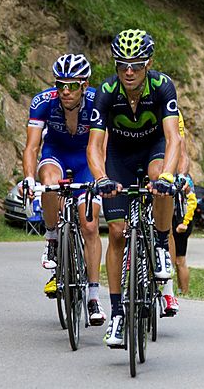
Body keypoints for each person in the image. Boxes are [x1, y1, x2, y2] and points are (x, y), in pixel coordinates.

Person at [87, 28, 181, 346]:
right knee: (115, 233)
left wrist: (169, 175)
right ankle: (116, 315)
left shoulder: (162, 86)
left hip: (152, 148)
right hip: (119, 157)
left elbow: (173, 138)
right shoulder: (107, 92)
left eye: (136, 65)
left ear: (148, 63)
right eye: (122, 64)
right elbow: (95, 146)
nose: (129, 71)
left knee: (160, 178)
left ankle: (160, 241)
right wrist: (101, 178)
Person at [22, 53, 106, 326]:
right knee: (48, 181)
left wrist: (102, 177)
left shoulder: (98, 102)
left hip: (86, 159)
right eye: (60, 84)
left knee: (90, 226)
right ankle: (52, 237)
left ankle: (93, 296)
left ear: (85, 84)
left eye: (72, 85)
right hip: (56, 154)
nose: (65, 91)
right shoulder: (44, 102)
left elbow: (102, 146)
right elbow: (32, 147)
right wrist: (28, 179)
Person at [169, 110, 197, 295]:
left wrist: (184, 223)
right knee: (177, 259)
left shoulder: (185, 181)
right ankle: (178, 290)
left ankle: (183, 292)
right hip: (177, 217)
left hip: (182, 219)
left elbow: (192, 202)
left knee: (180, 259)